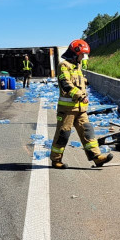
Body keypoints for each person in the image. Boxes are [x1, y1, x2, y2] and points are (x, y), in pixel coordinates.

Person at [50, 40, 111, 169]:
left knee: (87, 132)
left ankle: (97, 157)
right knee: (63, 134)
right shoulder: (63, 65)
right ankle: (56, 160)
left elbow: (79, 82)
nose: (83, 57)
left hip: (81, 109)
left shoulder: (77, 66)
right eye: (81, 55)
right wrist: (80, 95)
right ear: (74, 53)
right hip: (67, 110)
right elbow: (66, 85)